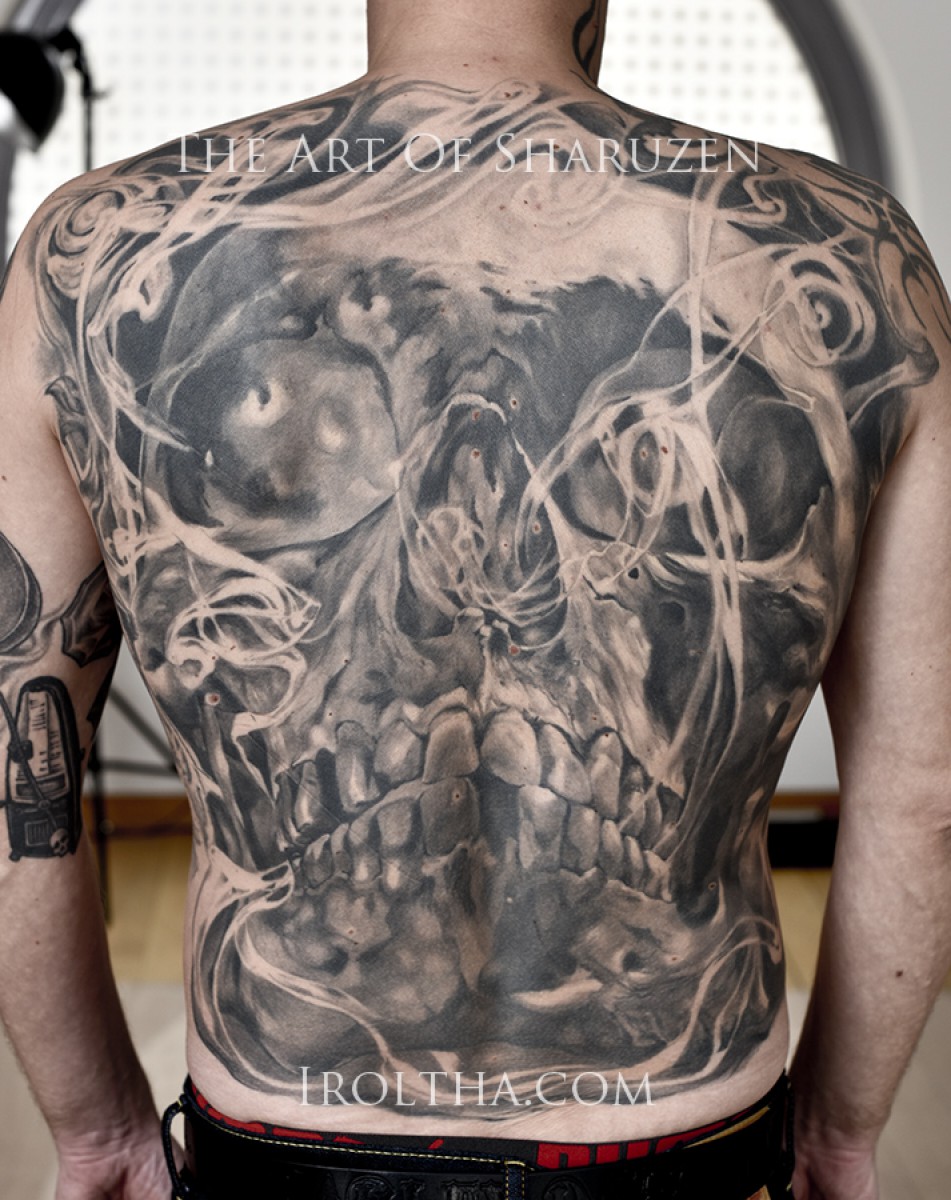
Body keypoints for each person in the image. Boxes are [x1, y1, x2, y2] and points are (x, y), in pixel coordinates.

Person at [1, 0, 950, 1196]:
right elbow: (925, 793)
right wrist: (843, 1132)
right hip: (684, 1141)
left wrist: (94, 1128)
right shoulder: (856, 252)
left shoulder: (93, 256)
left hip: (285, 1137)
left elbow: (15, 762)